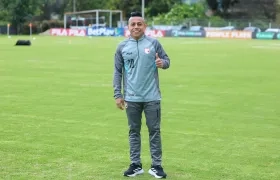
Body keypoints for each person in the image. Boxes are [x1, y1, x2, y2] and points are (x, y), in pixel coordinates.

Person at [113, 11, 170, 179]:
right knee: (133, 131)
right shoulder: (122, 47)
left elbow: (167, 61)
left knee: (154, 131)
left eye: (139, 24)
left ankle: (157, 166)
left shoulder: (154, 43)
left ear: (145, 26)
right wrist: (118, 94)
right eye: (133, 24)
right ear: (128, 27)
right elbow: (117, 72)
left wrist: (162, 63)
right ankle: (136, 164)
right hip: (131, 98)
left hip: (152, 97)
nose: (136, 27)